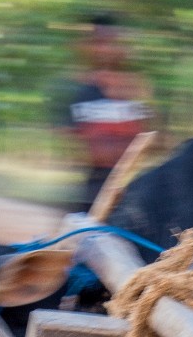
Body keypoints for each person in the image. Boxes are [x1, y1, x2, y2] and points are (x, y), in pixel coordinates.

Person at [54, 13, 154, 212]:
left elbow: (151, 139)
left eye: (110, 42)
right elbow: (76, 146)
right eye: (98, 42)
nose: (104, 49)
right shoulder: (76, 90)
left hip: (132, 189)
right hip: (91, 191)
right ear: (85, 47)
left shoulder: (136, 88)